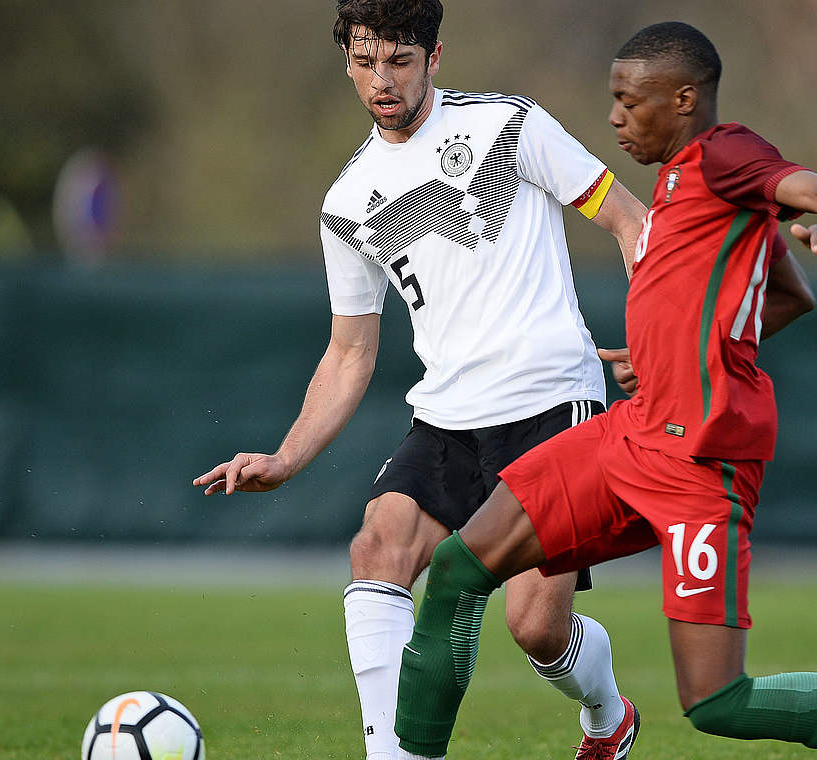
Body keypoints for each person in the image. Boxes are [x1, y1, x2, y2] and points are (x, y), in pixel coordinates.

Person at [392, 21, 817, 760]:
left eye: (630, 102)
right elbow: (787, 297)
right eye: (613, 100)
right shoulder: (680, 187)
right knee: (460, 568)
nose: (615, 117)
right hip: (633, 431)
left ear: (684, 100)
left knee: (717, 701)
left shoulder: (723, 156)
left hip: (701, 466)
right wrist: (666, 358)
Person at [192, 2, 649, 759]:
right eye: (367, 61)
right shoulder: (346, 204)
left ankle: (608, 714)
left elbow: (631, 221)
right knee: (377, 548)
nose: (383, 79)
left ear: (435, 56)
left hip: (553, 406)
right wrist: (285, 457)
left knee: (537, 629)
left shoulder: (511, 127)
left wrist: (657, 344)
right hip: (446, 420)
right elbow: (349, 354)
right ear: (346, 59)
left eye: (400, 61)